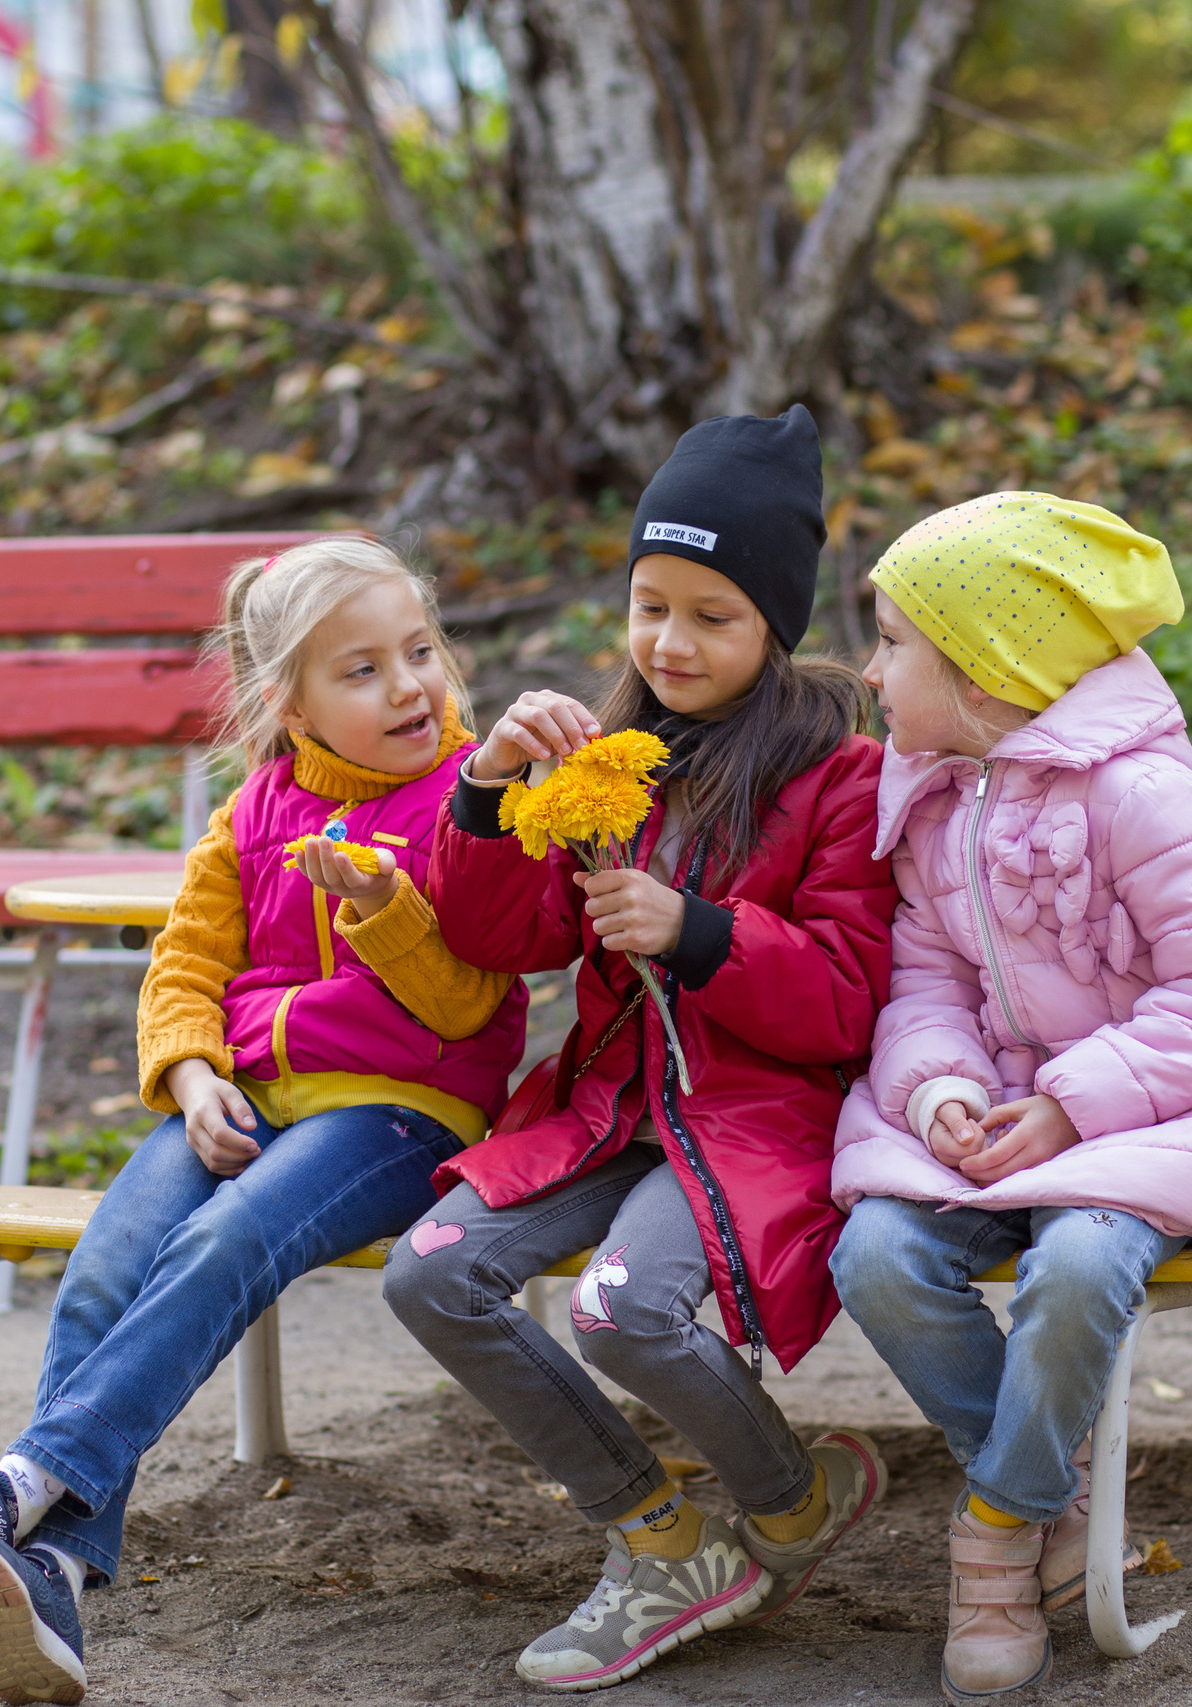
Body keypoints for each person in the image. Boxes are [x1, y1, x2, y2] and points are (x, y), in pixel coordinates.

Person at [0, 537, 528, 1706]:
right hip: (246, 1098)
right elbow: (184, 964)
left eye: (419, 652)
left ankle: (11, 1490)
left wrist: (383, 909)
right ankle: (55, 1568)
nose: (409, 686)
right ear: (291, 704)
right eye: (362, 670)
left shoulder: (472, 801)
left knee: (222, 1241)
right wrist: (191, 1073)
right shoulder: (253, 810)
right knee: (107, 1265)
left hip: (401, 1110)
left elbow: (469, 1001)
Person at [383, 406, 899, 1692]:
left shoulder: (839, 776)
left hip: (749, 1120)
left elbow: (847, 1001)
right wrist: (487, 793)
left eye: (712, 616)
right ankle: (662, 1537)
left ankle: (788, 1498)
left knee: (620, 1311)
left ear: (775, 623)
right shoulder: (613, 757)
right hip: (610, 1106)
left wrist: (699, 932)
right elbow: (505, 939)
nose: (669, 642)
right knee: (430, 1275)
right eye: (648, 605)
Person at [826, 492, 1192, 1702]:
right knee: (876, 1255)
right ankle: (1050, 1483)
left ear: (985, 667)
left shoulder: (1142, 792)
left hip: (1171, 1107)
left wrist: (1074, 1102)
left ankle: (997, 1530)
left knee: (1078, 1263)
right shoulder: (933, 798)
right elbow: (926, 981)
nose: (870, 672)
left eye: (892, 644)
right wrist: (941, 1091)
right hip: (1004, 1111)